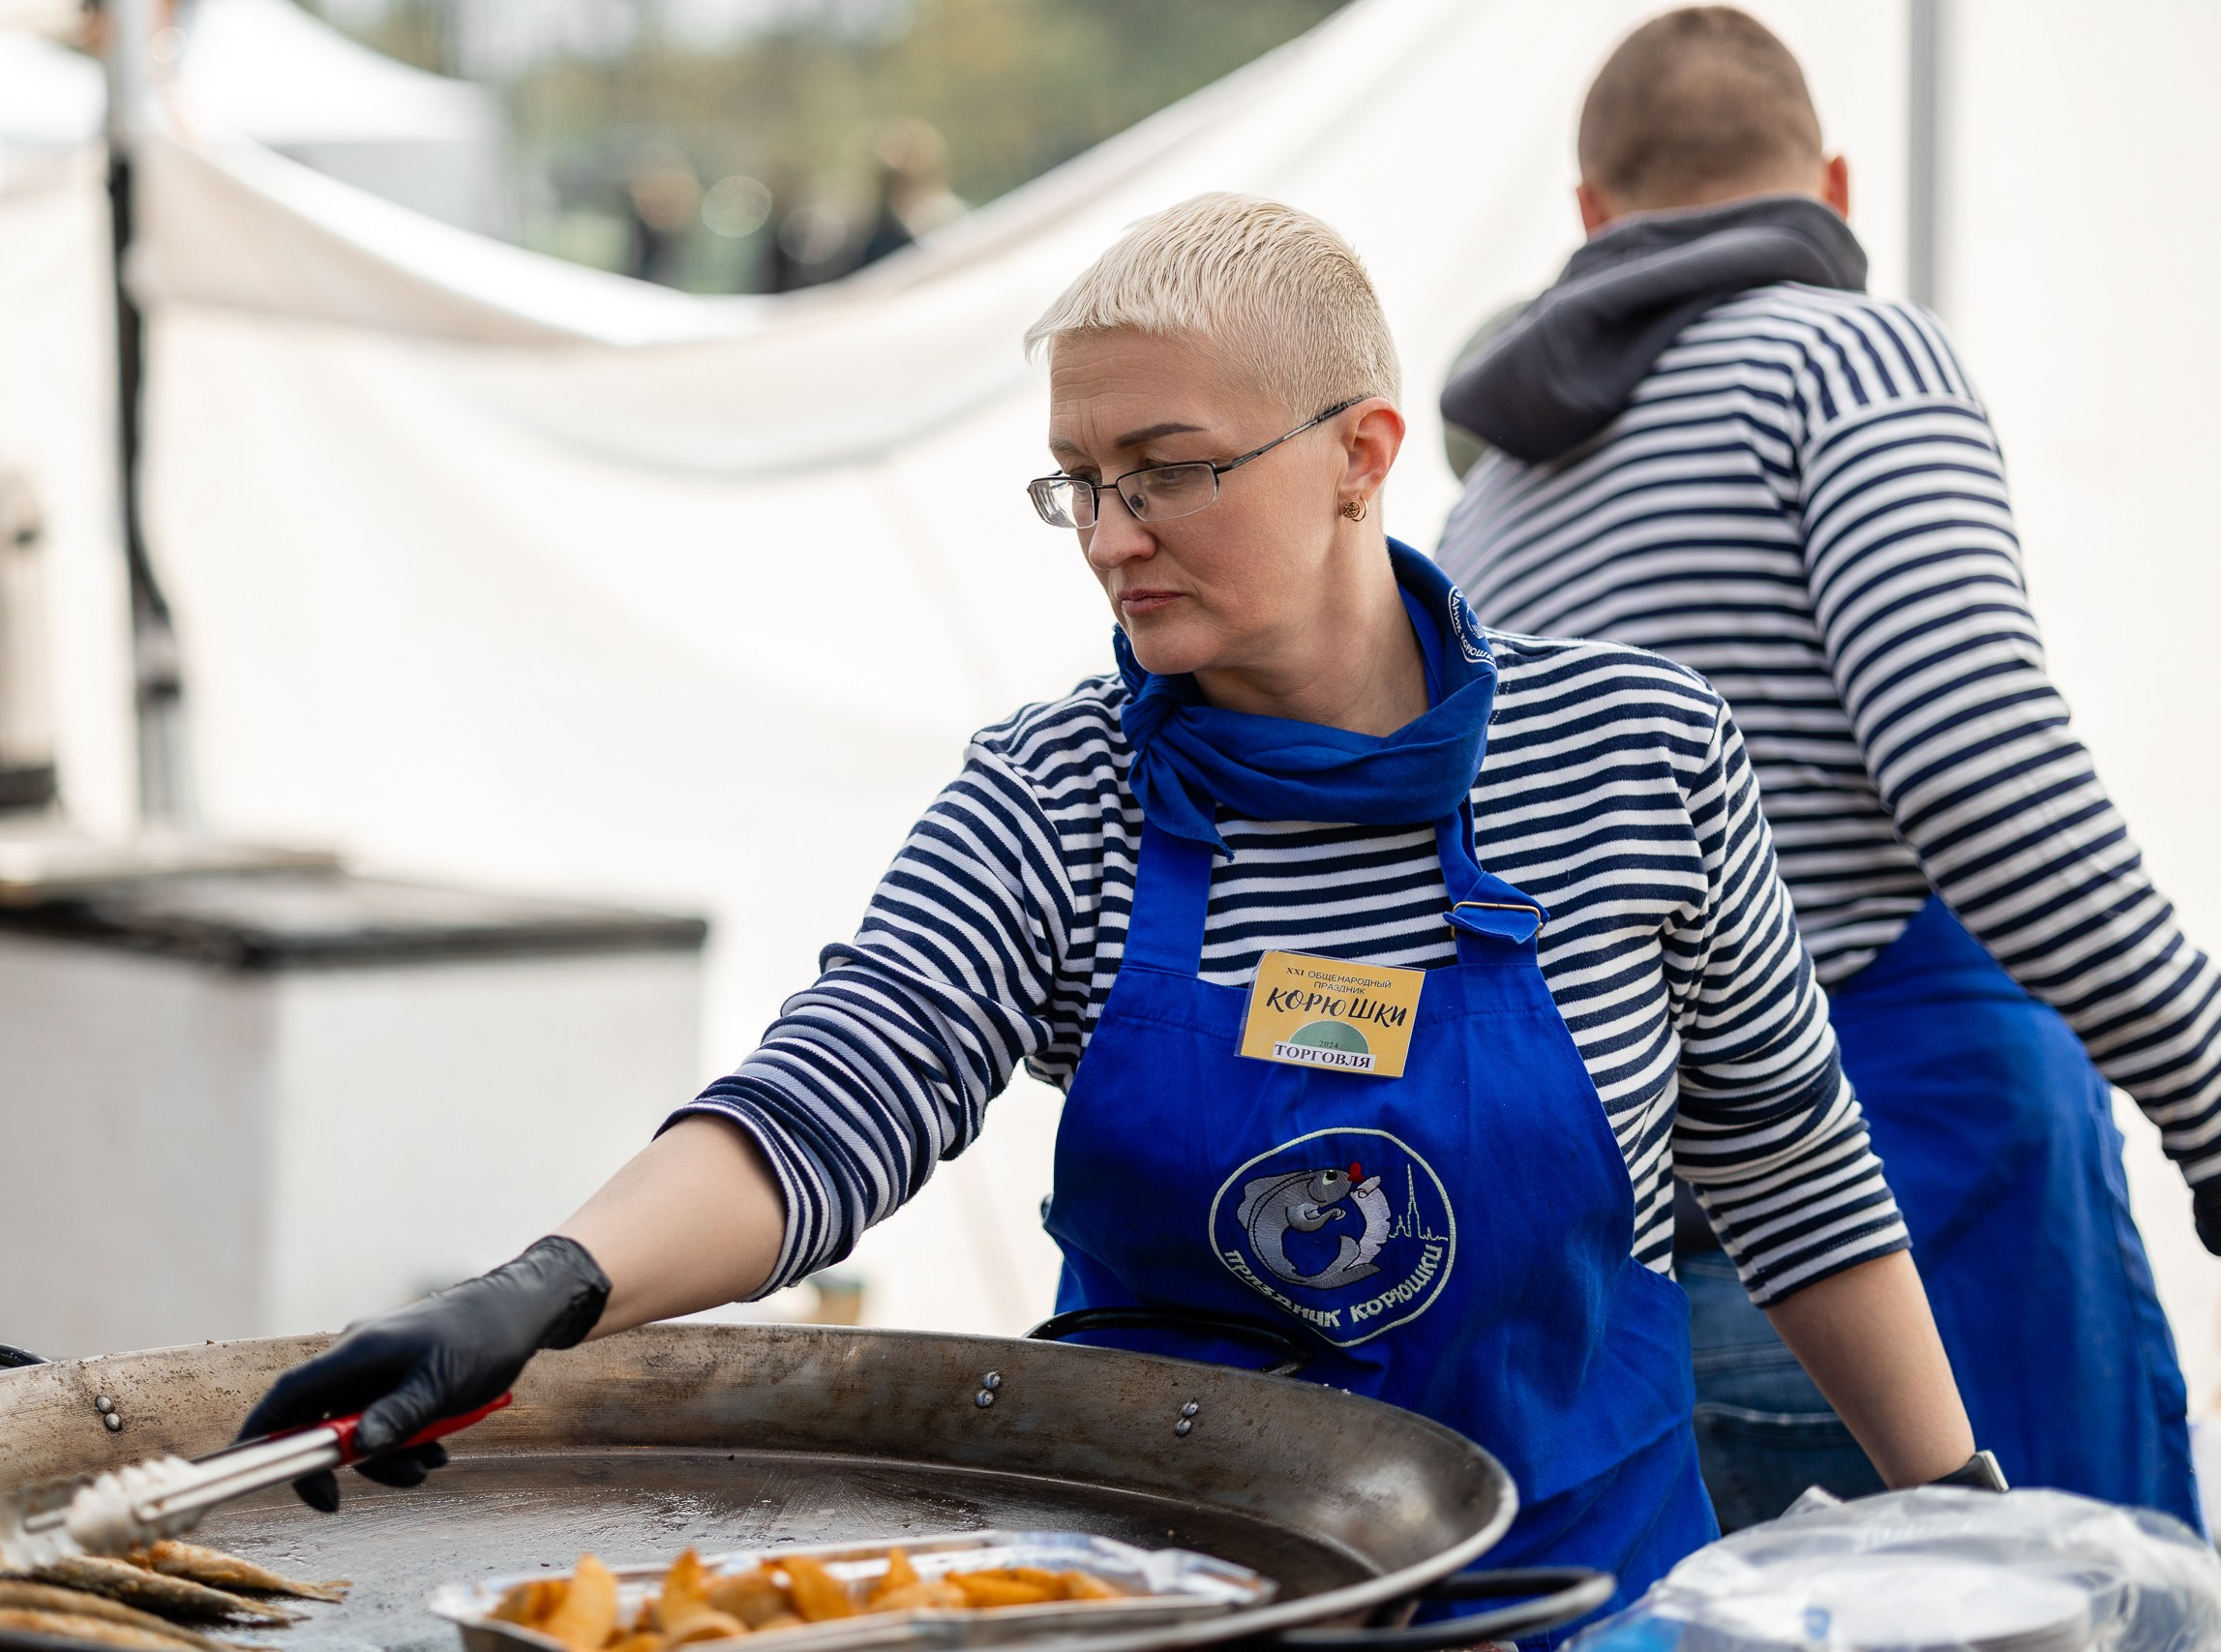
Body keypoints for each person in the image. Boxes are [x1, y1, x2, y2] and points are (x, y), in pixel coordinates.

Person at [239, 195, 1984, 1642]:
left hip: (1585, 1596)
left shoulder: (1638, 757)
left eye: (1166, 469)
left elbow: (1789, 1165)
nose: (1107, 536)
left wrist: (1958, 1511)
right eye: (1077, 478)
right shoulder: (1056, 795)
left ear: (1362, 453)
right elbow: (840, 1093)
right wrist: (537, 1292)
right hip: (1179, 1603)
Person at [1438, 6, 2213, 1530]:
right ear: (1835, 188)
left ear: (1591, 216)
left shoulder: (1486, 513)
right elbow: (1981, 776)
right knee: (2073, 1614)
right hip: (1923, 1251)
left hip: (1636, 1307)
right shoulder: (1847, 356)